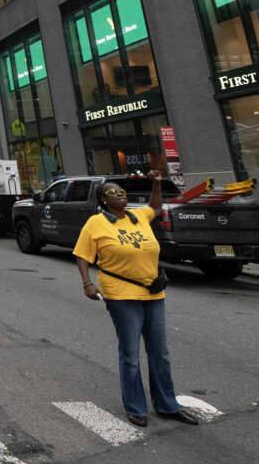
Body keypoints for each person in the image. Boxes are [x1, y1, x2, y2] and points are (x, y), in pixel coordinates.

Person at [73, 170, 198, 428]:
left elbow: (155, 206)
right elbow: (82, 255)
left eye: (121, 191)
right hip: (121, 294)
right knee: (130, 354)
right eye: (112, 193)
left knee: (160, 352)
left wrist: (156, 183)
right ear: (103, 200)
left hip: (153, 292)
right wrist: (87, 283)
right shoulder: (96, 223)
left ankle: (167, 405)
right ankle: (136, 407)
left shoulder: (138, 216)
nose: (119, 195)